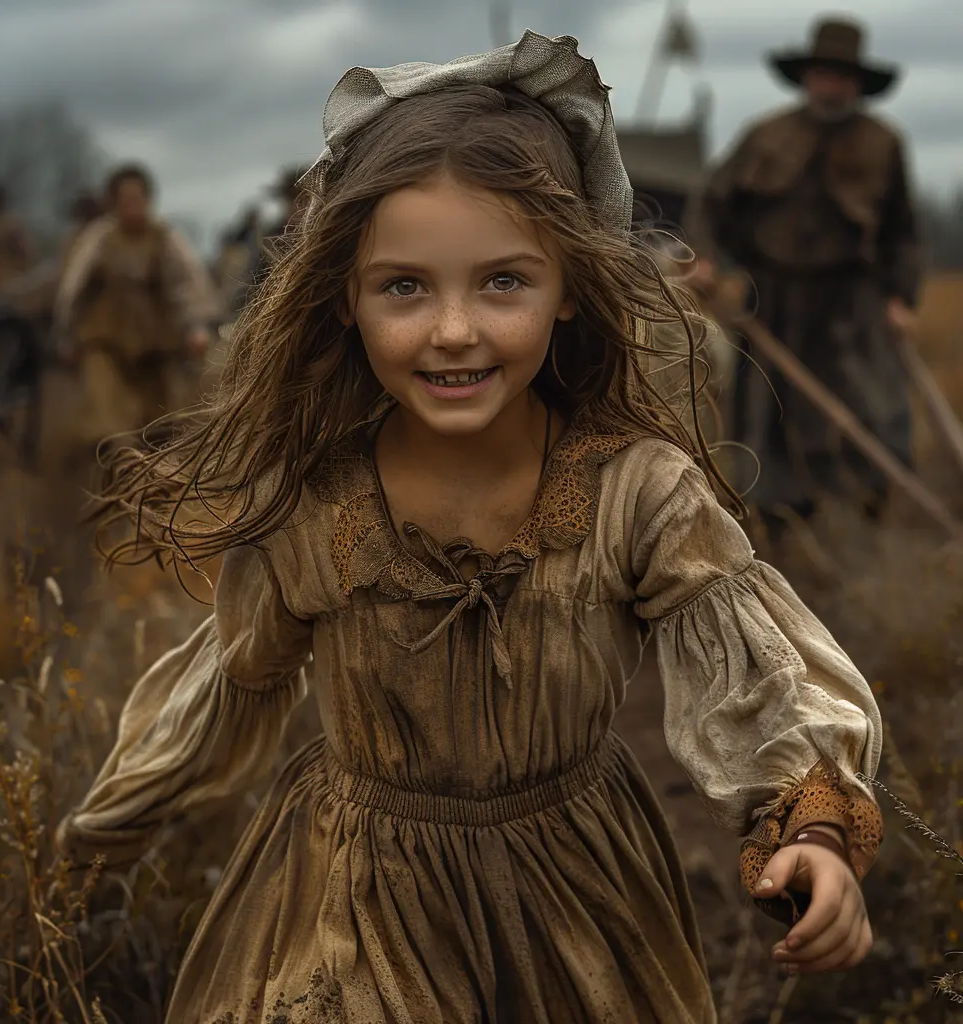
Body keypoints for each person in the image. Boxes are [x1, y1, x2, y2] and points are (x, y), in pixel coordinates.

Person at [58, 32, 884, 1022]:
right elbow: (224, 691)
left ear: (570, 285)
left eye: (502, 281)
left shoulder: (635, 492)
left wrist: (813, 830)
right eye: (404, 286)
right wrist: (96, 837)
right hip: (352, 896)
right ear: (344, 302)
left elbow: (762, 677)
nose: (453, 329)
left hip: (580, 905)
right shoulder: (318, 506)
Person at [695, 17, 919, 532]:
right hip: (772, 298)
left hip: (852, 301)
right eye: (823, 73)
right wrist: (703, 258)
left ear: (858, 83)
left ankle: (869, 510)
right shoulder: (765, 135)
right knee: (767, 412)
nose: (832, 85)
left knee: (875, 406)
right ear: (806, 76)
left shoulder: (883, 143)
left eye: (842, 75)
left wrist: (901, 297)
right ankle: (779, 521)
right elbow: (713, 204)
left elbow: (901, 231)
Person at [54, 163, 221, 453]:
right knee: (110, 424)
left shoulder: (165, 237)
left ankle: (153, 488)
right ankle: (111, 479)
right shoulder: (100, 237)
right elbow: (73, 287)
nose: (133, 205)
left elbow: (187, 283)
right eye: (125, 199)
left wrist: (195, 327)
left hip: (154, 346)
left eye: (138, 198)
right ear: (114, 203)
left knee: (160, 424)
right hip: (104, 343)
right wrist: (66, 334)